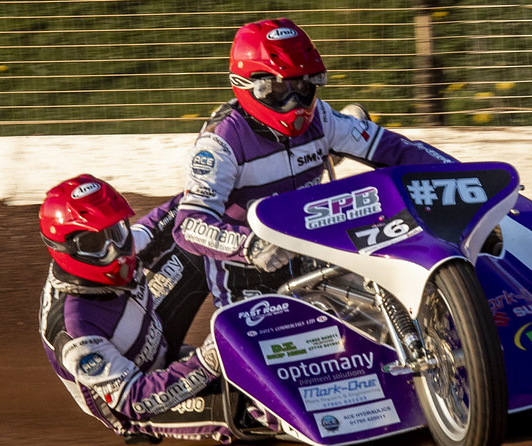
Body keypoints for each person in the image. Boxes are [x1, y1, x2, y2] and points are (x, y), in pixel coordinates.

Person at [173, 18, 459, 307]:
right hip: (248, 280)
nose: (295, 102)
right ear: (248, 85)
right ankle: (206, 355)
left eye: (303, 85)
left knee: (396, 307)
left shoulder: (323, 118)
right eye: (280, 90)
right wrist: (250, 245)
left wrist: (463, 179)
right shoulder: (220, 143)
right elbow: (188, 226)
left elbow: (399, 150)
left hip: (317, 262)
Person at [38, 174, 263, 444]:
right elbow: (134, 400)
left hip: (154, 336)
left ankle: (278, 297)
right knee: (251, 404)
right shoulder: (74, 332)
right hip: (136, 399)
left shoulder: (126, 245)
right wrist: (208, 361)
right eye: (94, 244)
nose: (114, 251)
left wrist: (226, 188)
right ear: (64, 249)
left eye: (116, 231)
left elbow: (179, 213)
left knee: (201, 236)